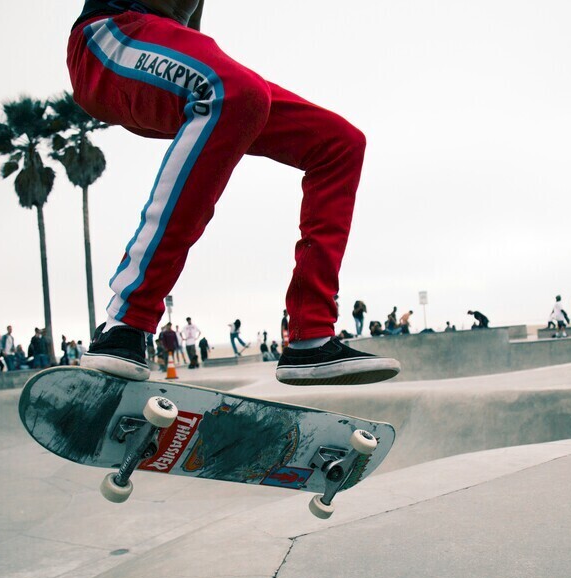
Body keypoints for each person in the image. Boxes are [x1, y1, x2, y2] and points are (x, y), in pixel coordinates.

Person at [67, 0, 398, 386]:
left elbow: (189, 34)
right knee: (237, 90)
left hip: (163, 62)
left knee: (339, 142)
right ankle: (126, 321)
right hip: (105, 43)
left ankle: (312, 336)